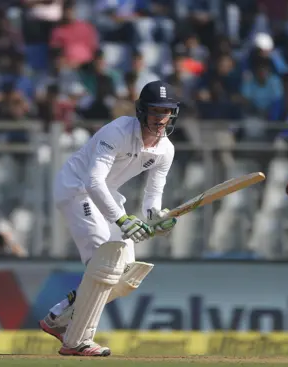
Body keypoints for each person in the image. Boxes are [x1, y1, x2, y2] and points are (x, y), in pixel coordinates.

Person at [39, 80, 180, 356]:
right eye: (155, 111)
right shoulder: (117, 131)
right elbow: (93, 181)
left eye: (167, 111)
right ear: (142, 111)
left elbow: (152, 197)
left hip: (108, 196)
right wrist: (122, 219)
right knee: (105, 264)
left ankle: (60, 316)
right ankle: (77, 340)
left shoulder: (166, 150)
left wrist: (157, 218)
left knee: (127, 274)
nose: (161, 118)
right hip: (76, 188)